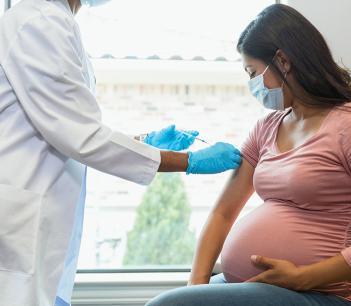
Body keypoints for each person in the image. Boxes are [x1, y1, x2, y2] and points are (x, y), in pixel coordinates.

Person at [145, 4, 351, 306]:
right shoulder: (267, 127)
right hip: (264, 288)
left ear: (283, 61)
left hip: (329, 294)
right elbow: (223, 213)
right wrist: (195, 286)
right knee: (177, 301)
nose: (252, 86)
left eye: (253, 73)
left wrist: (303, 276)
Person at [0, 0, 241, 305]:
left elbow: (73, 126)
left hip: (40, 217)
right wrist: (188, 162)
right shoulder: (38, 22)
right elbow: (81, 136)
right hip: (22, 217)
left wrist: (146, 143)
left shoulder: (57, 23)